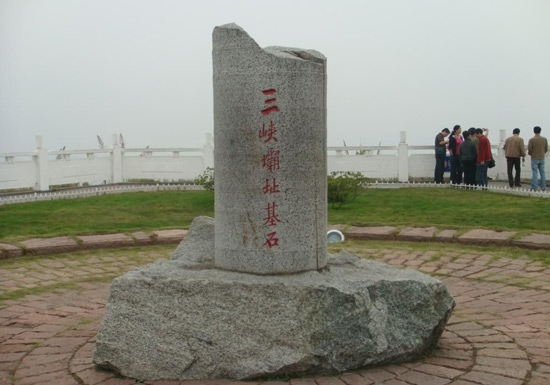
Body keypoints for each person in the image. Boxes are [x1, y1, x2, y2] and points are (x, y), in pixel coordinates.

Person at [528, 126, 548, 191]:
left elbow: (529, 149)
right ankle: (543, 186)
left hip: (534, 158)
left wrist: (531, 153)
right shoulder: (544, 139)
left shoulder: (531, 140)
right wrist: (542, 153)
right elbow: (546, 149)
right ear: (540, 131)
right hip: (542, 157)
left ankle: (534, 187)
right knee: (542, 172)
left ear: (534, 131)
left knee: (535, 172)